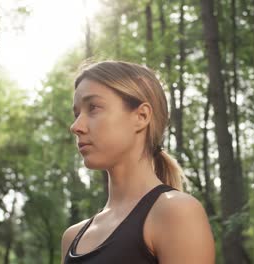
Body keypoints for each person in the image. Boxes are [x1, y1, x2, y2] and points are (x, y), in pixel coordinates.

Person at [61, 61, 215, 264]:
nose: (76, 126)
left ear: (141, 116)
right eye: (77, 113)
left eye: (93, 108)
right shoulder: (72, 237)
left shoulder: (177, 213)